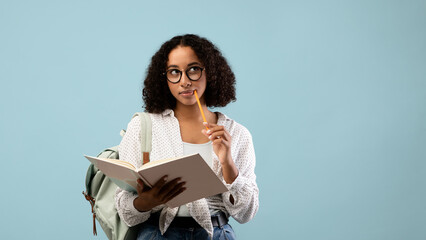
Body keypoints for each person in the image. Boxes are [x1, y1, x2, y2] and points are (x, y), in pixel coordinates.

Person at [115, 34, 259, 240]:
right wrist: (147, 201)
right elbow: (123, 209)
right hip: (157, 233)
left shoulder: (237, 134)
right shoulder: (142, 127)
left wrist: (227, 163)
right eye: (175, 72)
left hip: (216, 234)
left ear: (211, 72)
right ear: (164, 78)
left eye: (193, 70)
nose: (184, 81)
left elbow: (247, 213)